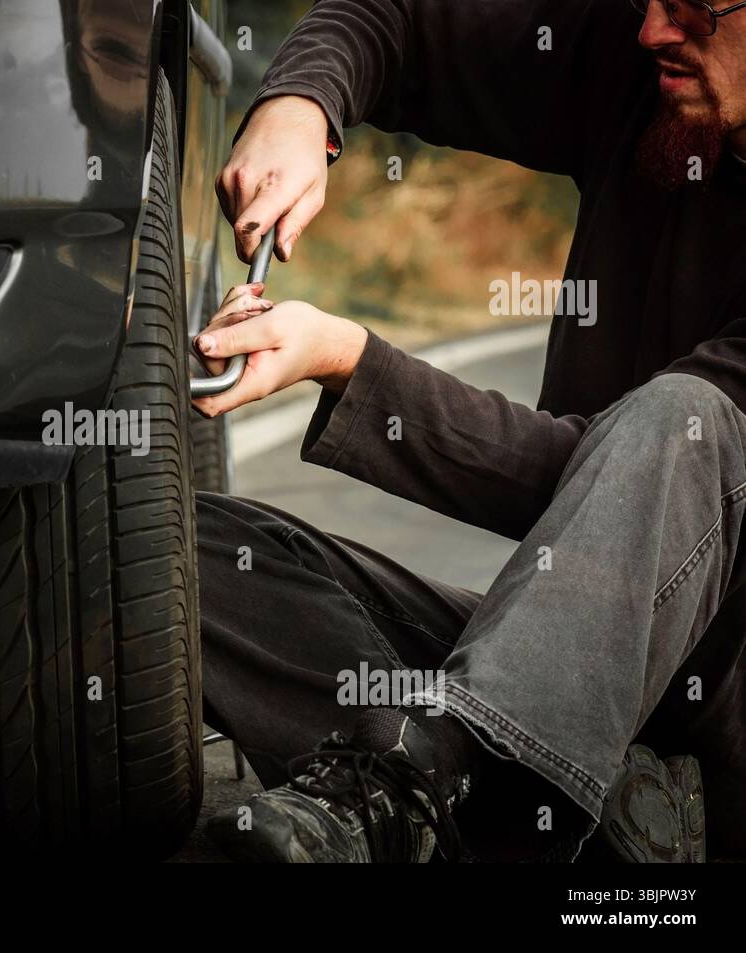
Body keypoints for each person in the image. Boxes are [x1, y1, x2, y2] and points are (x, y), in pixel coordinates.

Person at [193, 0, 746, 862]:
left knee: (685, 421)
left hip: (719, 702)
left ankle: (419, 786)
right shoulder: (645, 71)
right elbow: (395, 19)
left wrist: (347, 361)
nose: (651, 29)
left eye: (692, 8)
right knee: (180, 553)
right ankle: (558, 796)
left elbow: (604, 480)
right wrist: (300, 106)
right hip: (553, 668)